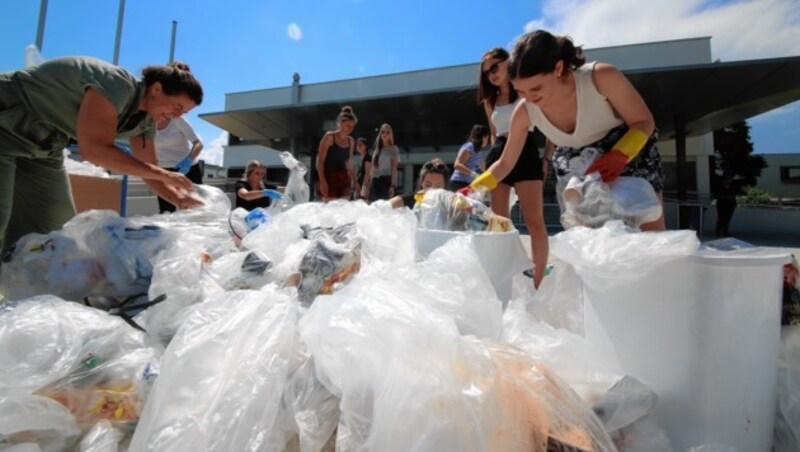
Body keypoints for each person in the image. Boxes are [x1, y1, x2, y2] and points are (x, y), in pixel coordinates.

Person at [467, 31, 668, 284]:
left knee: (652, 244)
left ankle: (658, 300)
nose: (529, 98)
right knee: (588, 251)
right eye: (522, 91)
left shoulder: (600, 77)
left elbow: (643, 120)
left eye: (536, 88)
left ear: (559, 68)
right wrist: (475, 187)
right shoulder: (525, 109)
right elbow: (506, 162)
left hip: (628, 151)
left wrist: (620, 154)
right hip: (576, 166)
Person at [0, 56, 204, 255]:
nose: (177, 116)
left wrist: (181, 199)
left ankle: (21, 280)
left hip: (45, 146)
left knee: (56, 231)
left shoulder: (145, 122)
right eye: (177, 107)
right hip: (7, 122)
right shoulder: (116, 83)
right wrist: (164, 174)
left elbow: (148, 169)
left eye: (184, 113)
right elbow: (94, 149)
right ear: (157, 89)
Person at [468, 46, 549, 288]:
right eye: (486, 72)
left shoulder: (525, 89)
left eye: (494, 67)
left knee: (535, 223)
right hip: (498, 153)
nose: (491, 74)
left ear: (507, 62)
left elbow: (548, 123)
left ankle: (539, 283)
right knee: (499, 223)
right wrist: (489, 164)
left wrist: (547, 159)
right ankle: (503, 280)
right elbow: (494, 135)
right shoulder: (490, 100)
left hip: (526, 150)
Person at [154, 115, 204, 213]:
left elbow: (198, 143)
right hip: (164, 170)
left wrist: (188, 161)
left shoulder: (178, 120)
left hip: (187, 168)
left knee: (196, 206)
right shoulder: (147, 123)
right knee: (166, 209)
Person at [316, 106, 357, 202]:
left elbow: (349, 164)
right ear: (340, 123)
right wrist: (322, 181)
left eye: (352, 127)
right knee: (329, 211)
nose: (350, 129)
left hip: (344, 179)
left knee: (343, 211)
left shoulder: (351, 141)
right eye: (347, 125)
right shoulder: (329, 137)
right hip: (329, 177)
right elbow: (320, 160)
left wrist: (355, 182)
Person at [450, 124, 489, 191]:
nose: (487, 141)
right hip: (459, 182)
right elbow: (457, 165)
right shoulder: (469, 147)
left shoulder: (478, 152)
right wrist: (474, 174)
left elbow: (482, 170)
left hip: (468, 184)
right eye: (487, 138)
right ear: (484, 137)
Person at [370, 123, 400, 201]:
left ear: (390, 134)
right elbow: (372, 170)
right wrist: (367, 187)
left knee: (386, 206)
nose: (384, 134)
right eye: (382, 132)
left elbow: (394, 170)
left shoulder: (393, 149)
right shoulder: (376, 150)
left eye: (387, 132)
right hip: (376, 182)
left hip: (387, 181)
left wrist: (393, 186)